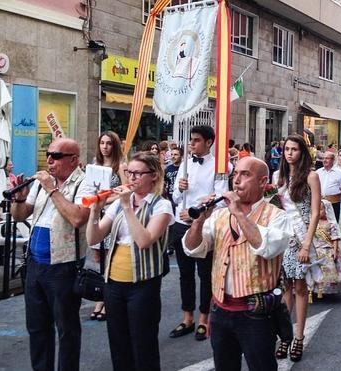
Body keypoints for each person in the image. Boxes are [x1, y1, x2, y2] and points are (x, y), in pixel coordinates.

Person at [183, 156, 292, 371]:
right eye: (236, 174)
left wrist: (238, 213)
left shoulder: (277, 216)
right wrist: (198, 222)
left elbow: (266, 246)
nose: (237, 180)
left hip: (257, 315)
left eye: (245, 174)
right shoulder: (219, 215)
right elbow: (193, 248)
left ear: (262, 182)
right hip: (221, 311)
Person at [86, 152, 173, 371]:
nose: (131, 178)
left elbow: (144, 241)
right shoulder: (117, 204)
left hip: (143, 284)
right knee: (118, 342)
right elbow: (93, 238)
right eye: (129, 172)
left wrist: (127, 206)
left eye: (137, 173)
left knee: (144, 344)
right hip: (113, 281)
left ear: (153, 176)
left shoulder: (160, 206)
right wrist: (95, 212)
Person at [10, 138, 92, 371]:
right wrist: (19, 197)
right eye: (48, 154)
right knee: (36, 327)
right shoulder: (42, 183)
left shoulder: (84, 183)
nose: (49, 160)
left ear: (73, 159)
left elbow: (77, 218)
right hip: (35, 263)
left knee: (66, 328)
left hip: (63, 265)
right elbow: (20, 215)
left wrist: (52, 189)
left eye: (56, 156)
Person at [169, 125, 231, 341]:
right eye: (191, 140)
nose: (191, 144)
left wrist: (197, 213)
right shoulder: (184, 164)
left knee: (205, 275)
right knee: (185, 274)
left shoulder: (220, 166)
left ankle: (204, 318)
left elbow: (221, 199)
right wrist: (180, 189)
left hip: (204, 226)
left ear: (209, 142)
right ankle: (187, 317)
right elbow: (175, 198)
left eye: (196, 140)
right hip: (180, 223)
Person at [273, 134, 321, 362]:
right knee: (285, 287)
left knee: (300, 288)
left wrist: (307, 244)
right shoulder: (278, 177)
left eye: (294, 149)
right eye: (286, 149)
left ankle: (299, 337)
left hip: (301, 239)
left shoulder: (311, 176)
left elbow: (314, 214)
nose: (290, 153)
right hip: (284, 238)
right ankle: (285, 336)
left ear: (302, 152)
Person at [89, 131, 127, 322]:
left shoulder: (120, 166)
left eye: (109, 143)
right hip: (96, 212)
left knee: (109, 256)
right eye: (102, 143)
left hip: (113, 214)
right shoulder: (95, 165)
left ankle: (103, 300)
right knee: (97, 256)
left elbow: (127, 191)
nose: (105, 146)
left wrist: (106, 200)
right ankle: (101, 295)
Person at [312, 200, 341, 296]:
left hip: (327, 249)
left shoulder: (331, 223)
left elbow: (335, 238)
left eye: (321, 209)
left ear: (327, 210)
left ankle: (325, 289)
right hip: (315, 249)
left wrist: (334, 250)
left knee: (328, 268)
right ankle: (313, 289)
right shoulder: (311, 223)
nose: (318, 211)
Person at [316, 152, 341, 222]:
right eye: (323, 158)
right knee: (320, 226)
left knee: (333, 226)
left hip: (334, 204)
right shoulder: (317, 172)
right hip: (319, 203)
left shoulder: (340, 173)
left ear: (333, 160)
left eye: (327, 158)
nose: (324, 160)